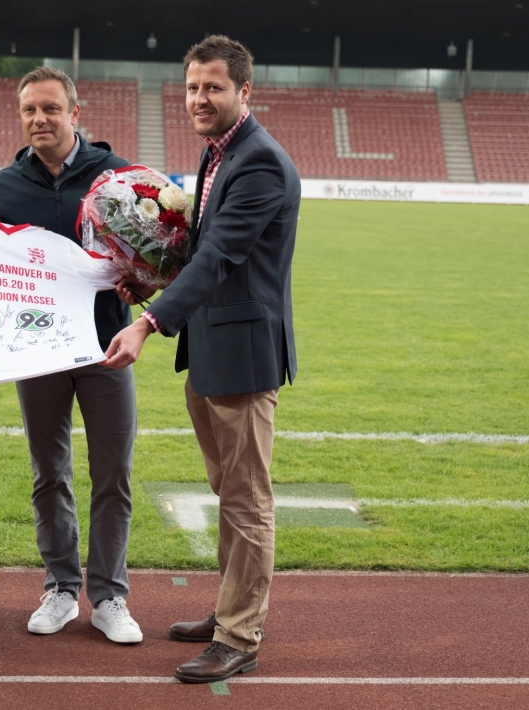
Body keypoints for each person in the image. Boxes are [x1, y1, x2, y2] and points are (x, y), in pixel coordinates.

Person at [103, 35, 300, 682]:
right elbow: (199, 251)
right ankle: (227, 612)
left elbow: (219, 259)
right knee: (229, 492)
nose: (199, 98)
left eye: (213, 87)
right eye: (192, 87)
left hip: (243, 358)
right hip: (212, 351)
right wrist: (149, 281)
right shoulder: (219, 153)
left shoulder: (259, 162)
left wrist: (149, 323)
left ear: (244, 90)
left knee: (246, 500)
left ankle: (239, 636)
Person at [0, 67, 142, 644]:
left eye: (50, 108)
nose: (39, 119)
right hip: (38, 351)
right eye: (29, 110)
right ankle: (62, 587)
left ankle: (110, 596)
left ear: (75, 113)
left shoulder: (116, 176)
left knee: (113, 473)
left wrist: (141, 283)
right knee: (49, 472)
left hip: (105, 347)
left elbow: (150, 256)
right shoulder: (5, 186)